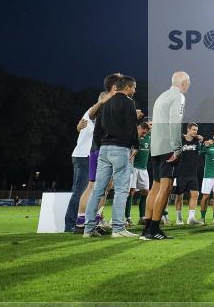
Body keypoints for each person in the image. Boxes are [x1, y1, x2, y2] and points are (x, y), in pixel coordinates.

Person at [83, 76, 140, 238]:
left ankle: (88, 229)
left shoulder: (106, 102)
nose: (134, 90)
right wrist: (135, 146)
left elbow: (97, 129)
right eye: (133, 87)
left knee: (97, 190)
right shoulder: (128, 102)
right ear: (127, 88)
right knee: (122, 190)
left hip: (104, 149)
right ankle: (118, 228)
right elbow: (132, 127)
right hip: (120, 149)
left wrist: (101, 147)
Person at [143, 71, 190, 241]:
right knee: (166, 187)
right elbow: (175, 122)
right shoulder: (178, 97)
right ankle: (154, 229)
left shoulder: (162, 96)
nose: (189, 85)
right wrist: (177, 148)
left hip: (156, 146)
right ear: (184, 82)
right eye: (188, 82)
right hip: (167, 146)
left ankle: (147, 228)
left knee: (155, 187)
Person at [65, 90, 107, 233]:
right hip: (84, 156)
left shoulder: (96, 114)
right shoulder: (93, 111)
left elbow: (81, 128)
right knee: (81, 191)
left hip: (85, 155)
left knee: (90, 190)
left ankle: (92, 221)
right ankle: (71, 224)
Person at [175, 123, 204, 225]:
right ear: (188, 130)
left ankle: (191, 218)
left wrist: (201, 142)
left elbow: (200, 153)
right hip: (180, 172)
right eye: (193, 130)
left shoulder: (197, 141)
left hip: (192, 172)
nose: (195, 132)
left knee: (195, 194)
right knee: (179, 196)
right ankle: (179, 218)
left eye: (196, 130)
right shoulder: (180, 139)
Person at [127, 120, 151, 226]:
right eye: (144, 131)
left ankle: (142, 217)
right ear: (139, 127)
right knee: (131, 191)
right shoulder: (132, 136)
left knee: (145, 191)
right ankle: (127, 217)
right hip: (133, 167)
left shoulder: (149, 137)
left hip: (143, 168)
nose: (145, 133)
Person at [198, 137, 214, 225]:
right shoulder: (208, 146)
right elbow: (200, 154)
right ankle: (202, 218)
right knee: (205, 197)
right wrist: (204, 146)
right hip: (208, 176)